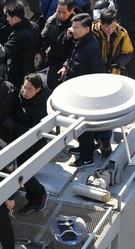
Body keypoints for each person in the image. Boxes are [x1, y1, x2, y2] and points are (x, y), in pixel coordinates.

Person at [58, 13, 106, 168]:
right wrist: (66, 66)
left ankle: (87, 158)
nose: (73, 30)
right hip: (76, 89)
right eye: (72, 27)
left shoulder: (91, 47)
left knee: (83, 127)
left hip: (85, 94)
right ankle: (83, 149)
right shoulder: (79, 40)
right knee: (80, 128)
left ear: (87, 29)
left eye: (76, 28)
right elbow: (70, 55)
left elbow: (98, 72)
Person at [2, 73, 49, 215]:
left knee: (24, 171)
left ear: (38, 90)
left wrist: (13, 126)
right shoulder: (21, 95)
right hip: (18, 138)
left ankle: (39, 196)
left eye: (29, 89)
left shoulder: (42, 107)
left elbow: (35, 132)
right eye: (24, 87)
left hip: (33, 144)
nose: (25, 92)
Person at [91, 8, 133, 156]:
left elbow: (128, 52)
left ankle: (105, 141)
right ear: (100, 23)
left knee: (108, 110)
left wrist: (117, 63)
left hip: (113, 75)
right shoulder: (92, 30)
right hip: (95, 76)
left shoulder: (122, 33)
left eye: (113, 26)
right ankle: (95, 137)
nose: (110, 30)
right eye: (107, 26)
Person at [3, 1, 41, 89]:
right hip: (31, 68)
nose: (7, 19)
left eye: (8, 17)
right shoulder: (34, 26)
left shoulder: (20, 36)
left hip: (19, 73)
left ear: (16, 18)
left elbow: (5, 52)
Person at [39, 0, 75, 90]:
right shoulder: (52, 21)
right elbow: (43, 39)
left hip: (70, 60)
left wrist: (66, 65)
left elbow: (76, 49)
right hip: (54, 57)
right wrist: (39, 51)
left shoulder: (76, 25)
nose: (61, 15)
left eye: (64, 12)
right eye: (58, 12)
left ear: (71, 11)